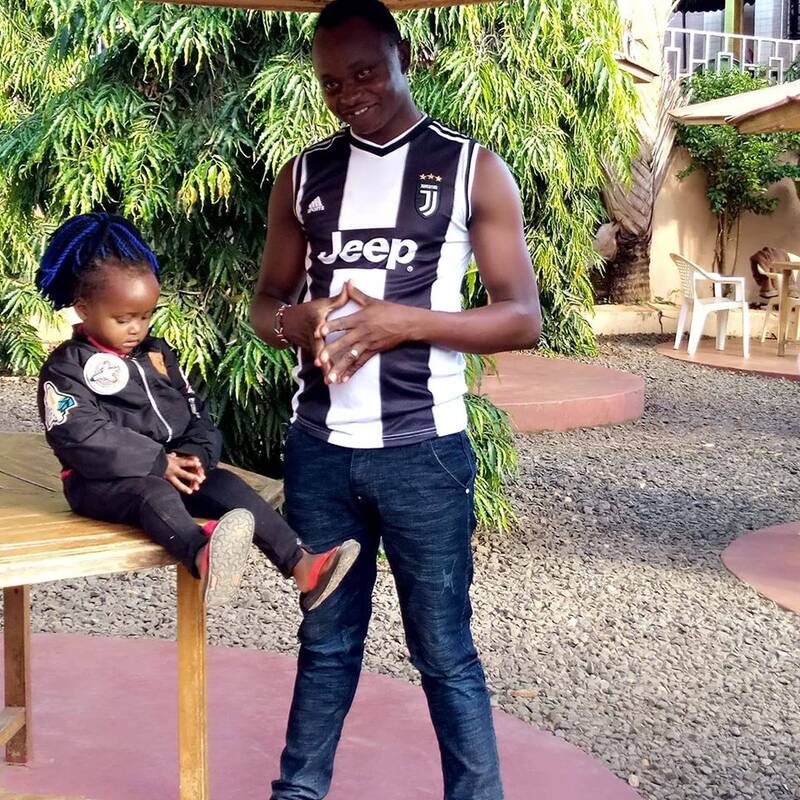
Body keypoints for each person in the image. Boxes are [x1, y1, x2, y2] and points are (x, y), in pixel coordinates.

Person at [251, 1, 541, 797]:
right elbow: (266, 304)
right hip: (320, 452)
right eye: (332, 83)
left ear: (402, 57)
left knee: (443, 651)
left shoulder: (472, 169)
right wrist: (300, 320)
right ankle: (297, 792)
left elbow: (522, 318)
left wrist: (400, 323)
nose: (350, 94)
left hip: (424, 453)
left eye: (366, 73)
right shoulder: (302, 176)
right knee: (325, 642)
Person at [36, 212, 359, 609]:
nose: (137, 328)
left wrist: (194, 456)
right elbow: (81, 434)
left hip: (171, 467)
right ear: (84, 308)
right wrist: (157, 462)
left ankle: (303, 565)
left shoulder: (157, 354)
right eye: (123, 319)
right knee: (151, 491)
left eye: (146, 316)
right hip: (100, 484)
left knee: (226, 485)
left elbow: (194, 410)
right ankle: (203, 556)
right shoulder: (66, 367)